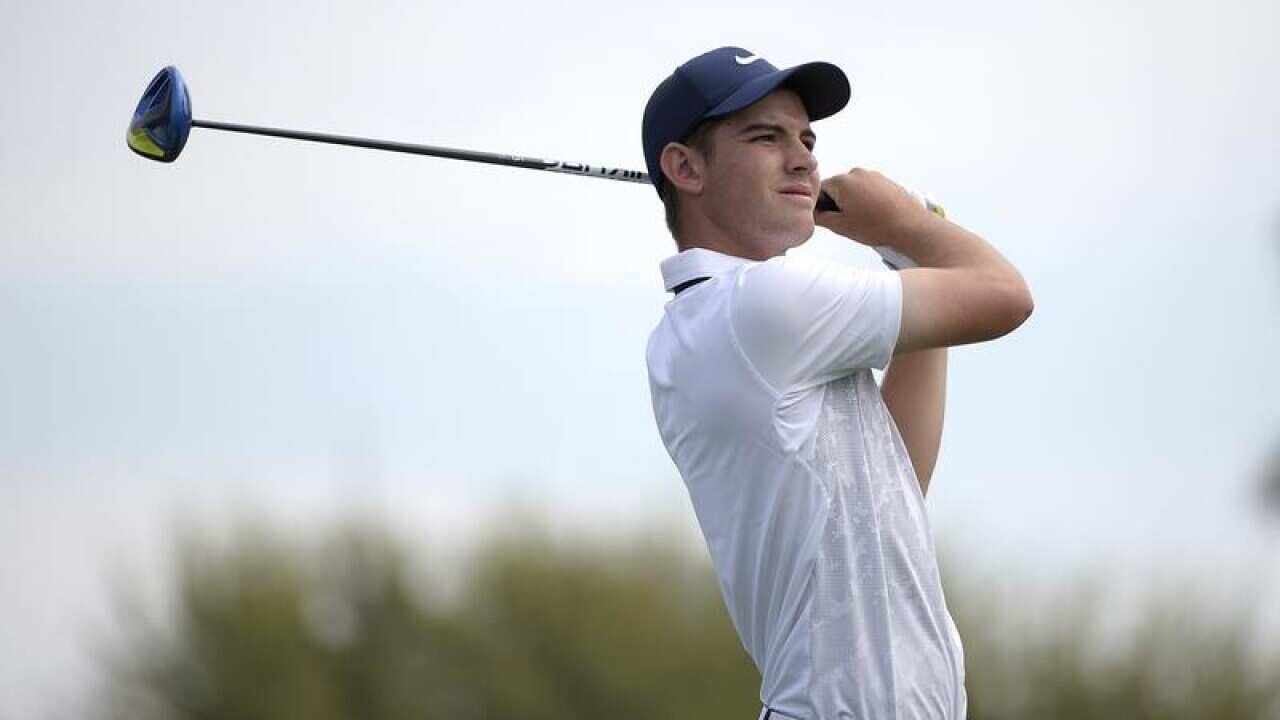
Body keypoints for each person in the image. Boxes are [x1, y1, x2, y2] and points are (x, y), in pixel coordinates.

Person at [642, 47, 1033, 720]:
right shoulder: (764, 305)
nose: (802, 158)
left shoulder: (730, 322)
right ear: (685, 167)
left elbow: (895, 480)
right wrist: (910, 226)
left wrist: (909, 249)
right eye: (765, 136)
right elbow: (1006, 296)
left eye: (807, 139)